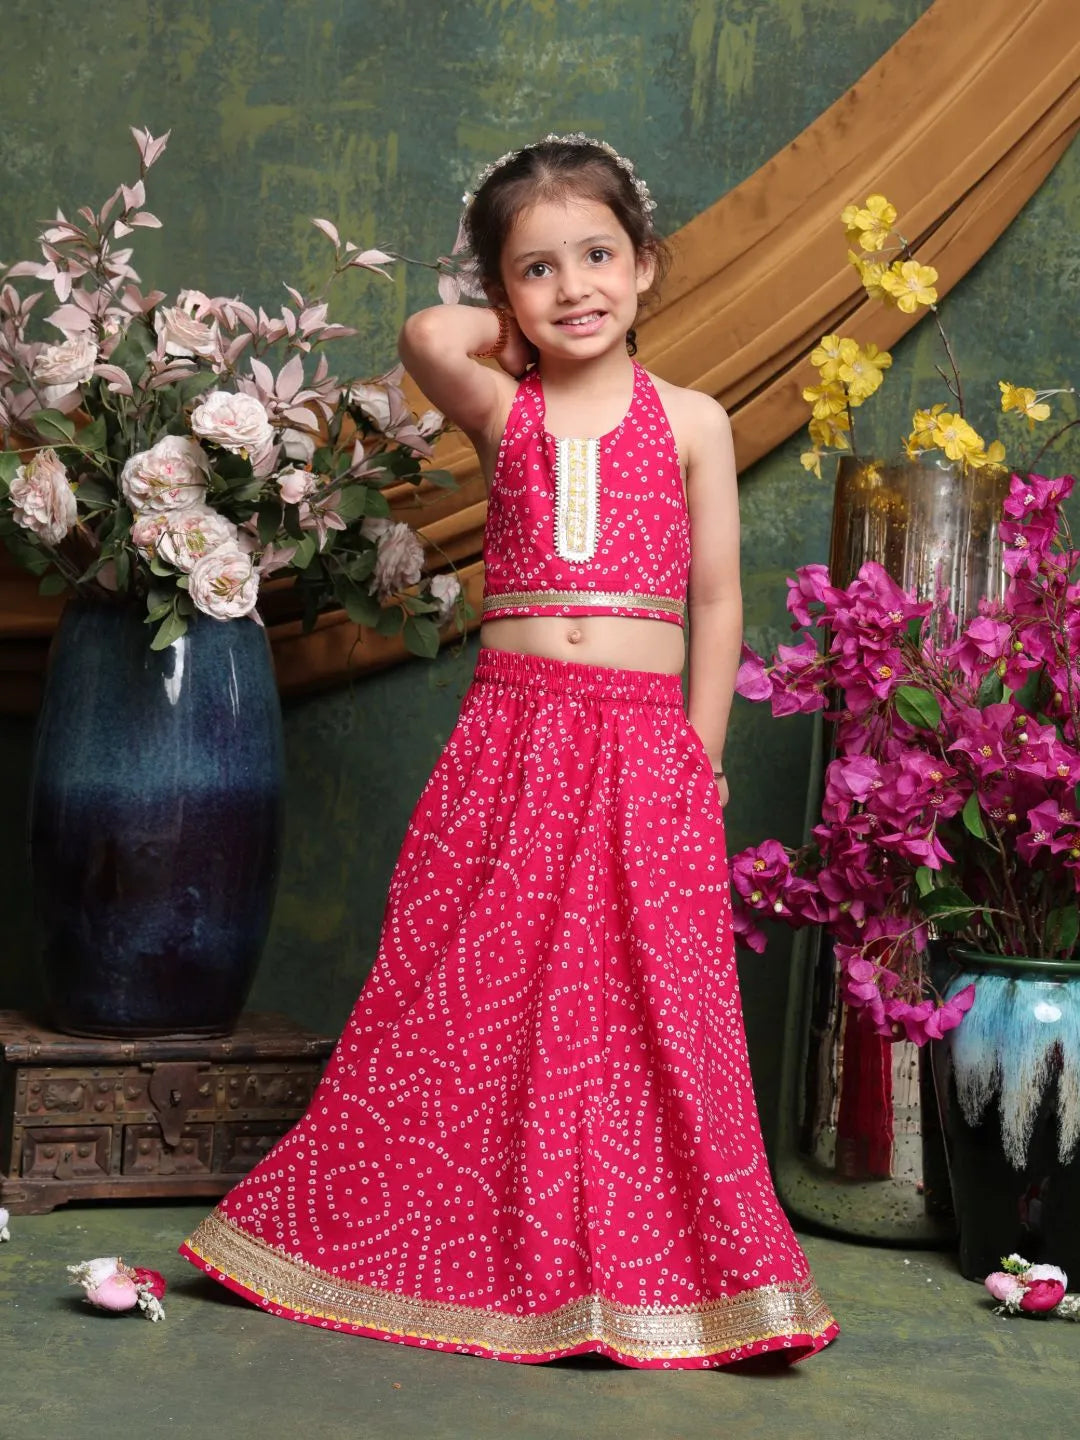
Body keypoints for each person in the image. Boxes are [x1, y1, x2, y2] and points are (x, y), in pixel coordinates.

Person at [179, 133, 839, 1368]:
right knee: (465, 989)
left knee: (648, 1004)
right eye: (539, 270)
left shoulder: (693, 420)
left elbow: (716, 601)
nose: (576, 287)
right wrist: (513, 323)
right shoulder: (504, 407)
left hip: (643, 746)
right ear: (501, 293)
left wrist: (701, 754)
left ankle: (676, 1277)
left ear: (647, 264)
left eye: (599, 256)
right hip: (513, 736)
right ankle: (432, 1245)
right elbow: (431, 336)